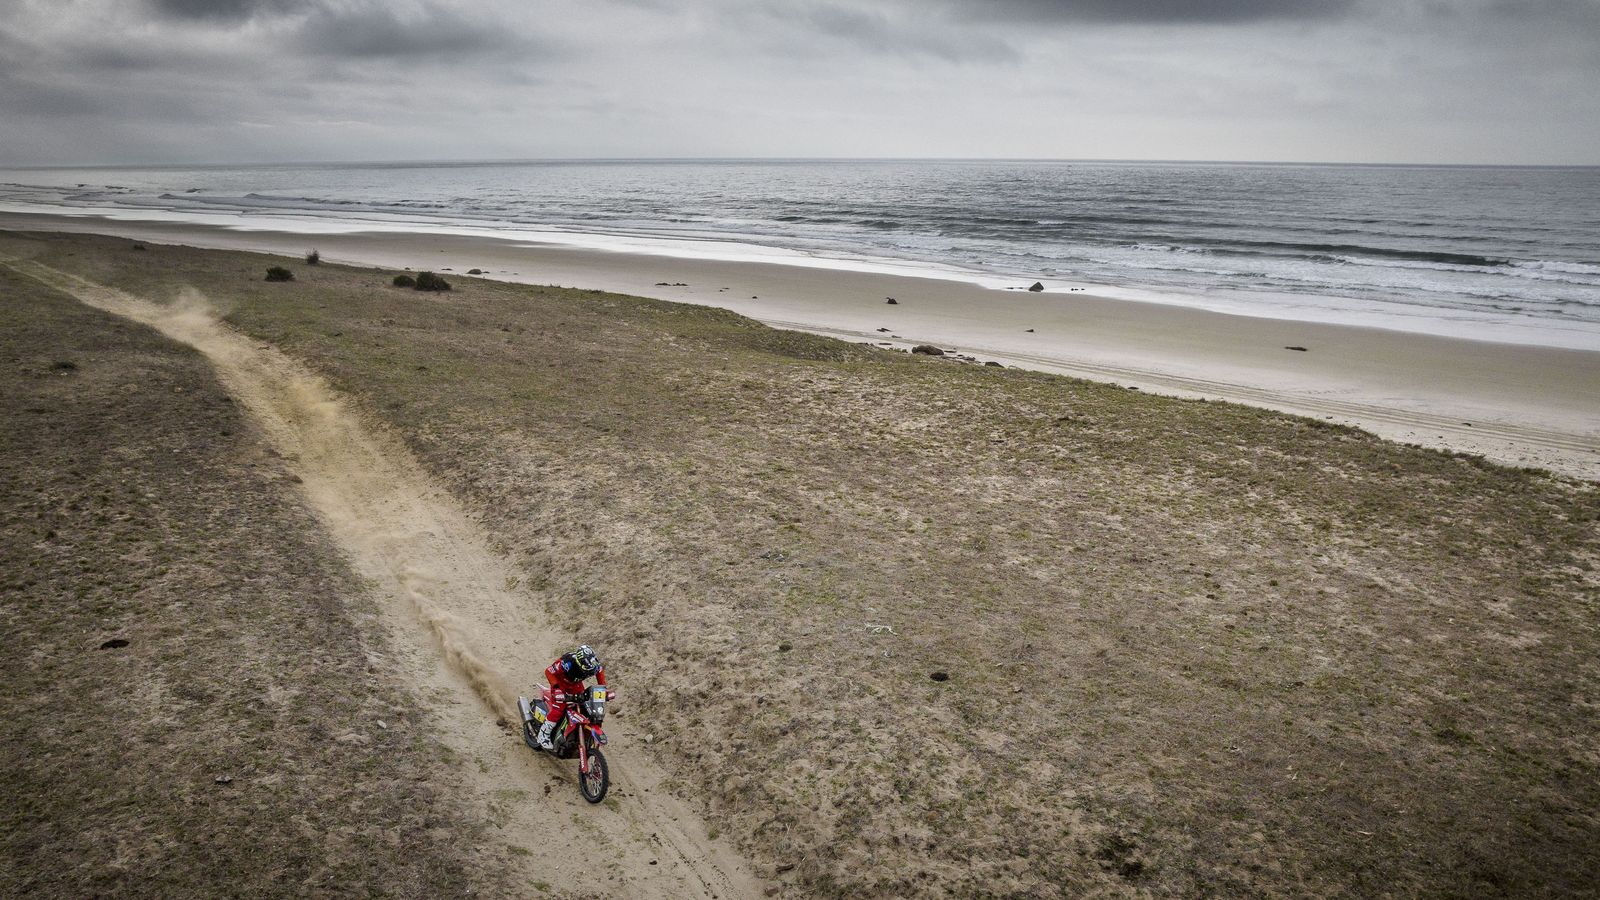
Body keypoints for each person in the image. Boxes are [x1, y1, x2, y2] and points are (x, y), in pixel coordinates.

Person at [536, 644, 608, 750]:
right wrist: (556, 689)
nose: (590, 671)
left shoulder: (593, 664)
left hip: (575, 684)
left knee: (585, 704)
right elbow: (549, 671)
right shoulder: (567, 662)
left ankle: (575, 732)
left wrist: (603, 688)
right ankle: (543, 735)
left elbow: (599, 671)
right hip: (560, 684)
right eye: (587, 669)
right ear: (579, 663)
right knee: (558, 709)